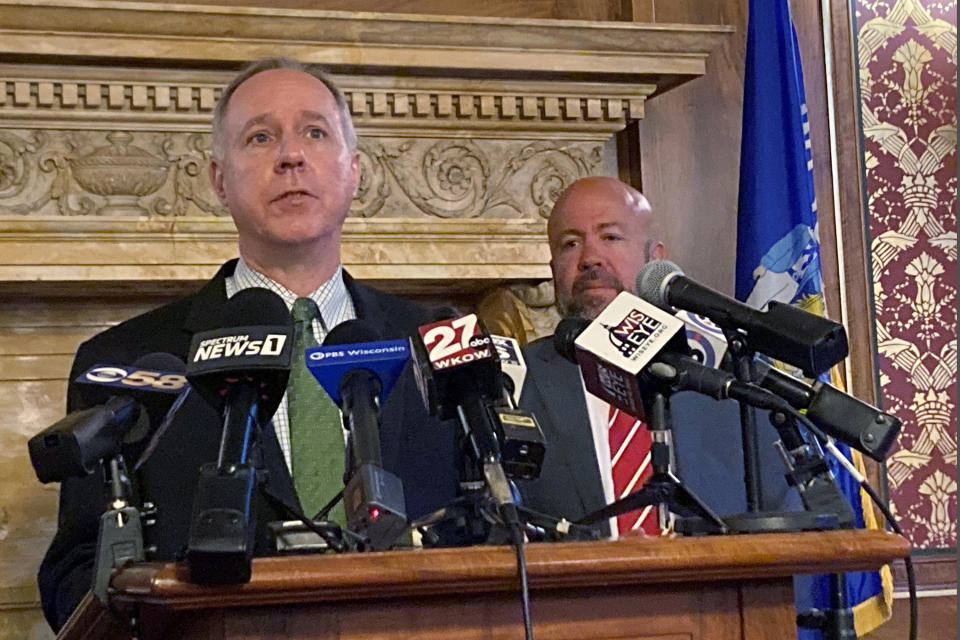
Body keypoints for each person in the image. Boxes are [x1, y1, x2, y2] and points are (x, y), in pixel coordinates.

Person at [37, 58, 458, 630]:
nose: (290, 156)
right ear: (218, 180)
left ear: (354, 171)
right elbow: (76, 575)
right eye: (260, 137)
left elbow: (496, 529)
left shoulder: (438, 340)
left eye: (315, 132)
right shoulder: (126, 360)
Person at [518, 176, 795, 536]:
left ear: (656, 260)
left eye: (611, 237)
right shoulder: (517, 381)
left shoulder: (729, 373)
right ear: (554, 269)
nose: (589, 259)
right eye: (570, 244)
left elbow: (786, 524)